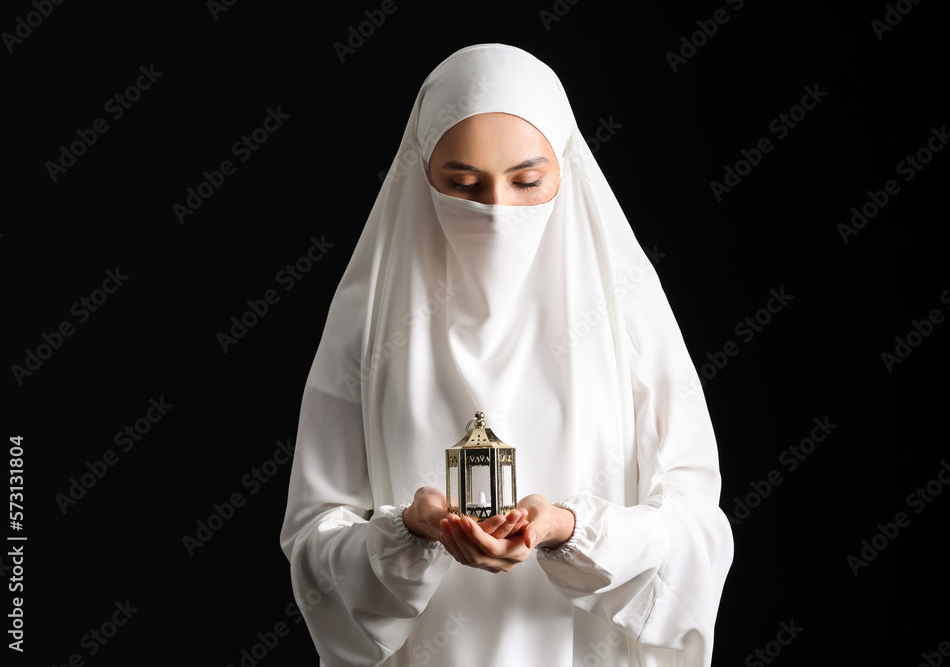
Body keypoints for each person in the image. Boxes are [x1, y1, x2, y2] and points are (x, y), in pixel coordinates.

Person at [280, 43, 733, 667]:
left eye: (527, 181)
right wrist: (411, 535)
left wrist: (574, 533)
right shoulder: (370, 320)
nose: (497, 211)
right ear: (422, 175)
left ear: (564, 171)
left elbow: (697, 533)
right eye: (463, 186)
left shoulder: (625, 308)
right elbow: (312, 541)